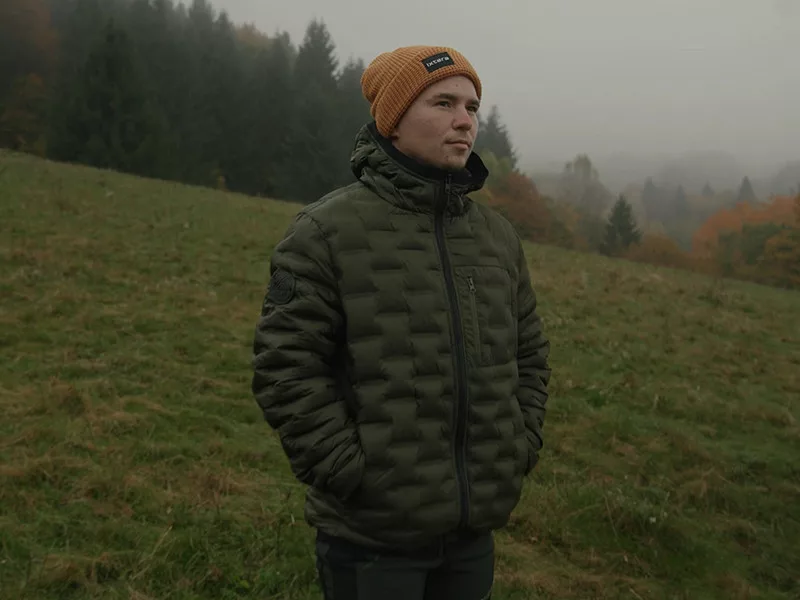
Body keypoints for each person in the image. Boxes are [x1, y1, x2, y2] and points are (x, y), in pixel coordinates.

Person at [251, 44, 551, 600]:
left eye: (472, 106)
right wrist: (350, 473)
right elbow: (285, 367)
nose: (465, 120)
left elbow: (529, 355)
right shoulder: (325, 231)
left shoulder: (498, 238)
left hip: (473, 533)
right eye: (443, 103)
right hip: (372, 539)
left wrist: (520, 445)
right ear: (393, 119)